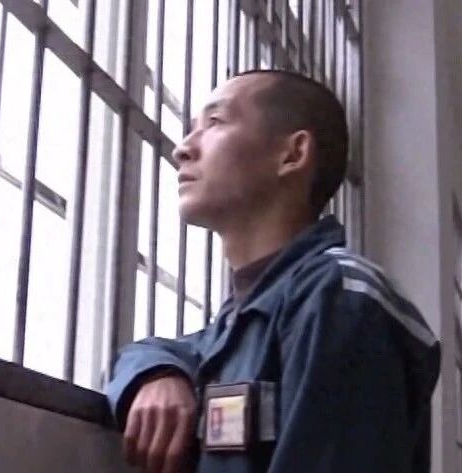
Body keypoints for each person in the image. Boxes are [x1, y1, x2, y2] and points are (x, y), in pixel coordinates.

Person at [105, 70, 440, 473]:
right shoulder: (238, 322)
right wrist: (158, 374)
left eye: (215, 122)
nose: (183, 149)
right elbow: (148, 352)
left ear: (293, 155)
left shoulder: (341, 299)